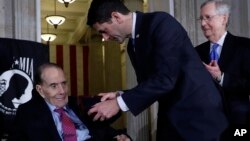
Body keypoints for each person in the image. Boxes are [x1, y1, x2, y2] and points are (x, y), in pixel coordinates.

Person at [86, 0, 228, 140]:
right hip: (172, 117)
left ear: (116, 17)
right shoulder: (132, 46)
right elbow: (150, 84)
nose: (105, 37)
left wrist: (119, 103)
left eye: (104, 31)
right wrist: (120, 95)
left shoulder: (161, 23)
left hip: (199, 115)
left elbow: (165, 79)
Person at [7, 62, 131, 141]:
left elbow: (106, 131)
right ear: (40, 90)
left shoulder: (78, 104)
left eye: (64, 84)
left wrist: (120, 137)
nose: (62, 91)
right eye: (54, 86)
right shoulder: (28, 113)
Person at [195, 0, 250, 139]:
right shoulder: (196, 52)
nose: (202, 24)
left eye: (208, 17)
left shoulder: (245, 46)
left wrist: (222, 77)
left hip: (237, 126)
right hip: (203, 126)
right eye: (201, 18)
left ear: (223, 18)